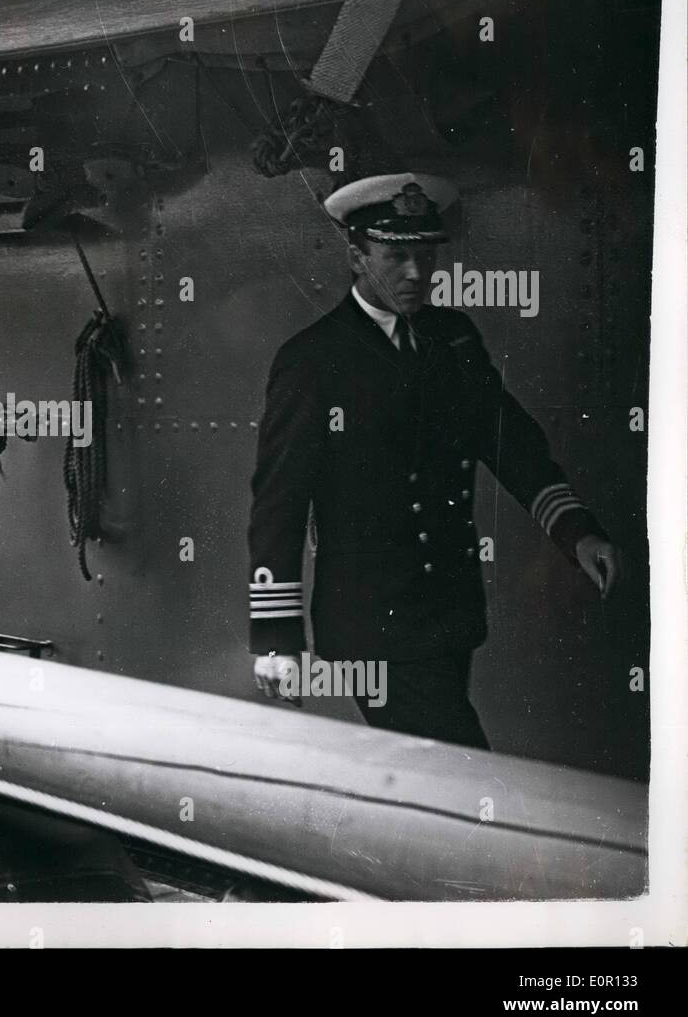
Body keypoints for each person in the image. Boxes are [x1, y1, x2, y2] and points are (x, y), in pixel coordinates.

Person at [246, 172, 622, 749]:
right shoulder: (312, 360)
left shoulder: (454, 339)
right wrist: (276, 636)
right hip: (372, 629)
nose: (417, 272)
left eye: (425, 255)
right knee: (466, 777)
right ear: (355, 255)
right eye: (396, 256)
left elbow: (509, 442)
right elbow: (280, 505)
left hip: (450, 616)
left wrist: (577, 532)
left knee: (434, 779)